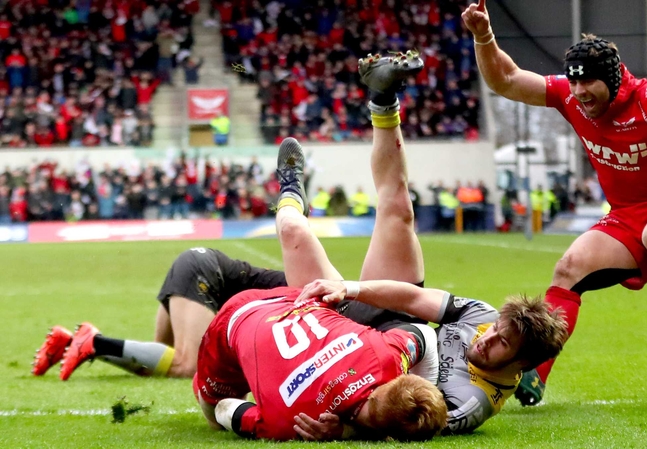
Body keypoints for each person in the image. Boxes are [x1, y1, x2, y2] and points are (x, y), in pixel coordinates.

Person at [462, 0, 647, 406]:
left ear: (611, 79)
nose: (579, 92)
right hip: (626, 216)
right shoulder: (571, 96)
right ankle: (537, 375)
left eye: (588, 83)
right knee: (568, 269)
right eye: (574, 83)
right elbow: (506, 80)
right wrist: (484, 36)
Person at [291, 51, 568, 438]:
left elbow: (407, 421)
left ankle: (288, 198)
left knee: (295, 244)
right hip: (394, 324)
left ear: (520, 364)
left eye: (502, 342)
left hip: (356, 358)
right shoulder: (482, 317)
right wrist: (350, 289)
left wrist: (347, 430)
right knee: (398, 208)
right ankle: (383, 99)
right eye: (496, 330)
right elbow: (412, 299)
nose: (487, 338)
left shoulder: (469, 403)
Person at [194, 138, 447, 441]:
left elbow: (425, 337)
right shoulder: (296, 422)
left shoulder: (386, 360)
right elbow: (227, 410)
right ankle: (291, 192)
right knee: (293, 229)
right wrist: (349, 430)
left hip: (251, 315)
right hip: (306, 303)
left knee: (212, 412)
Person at [32, 249, 288, 380]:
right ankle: (96, 343)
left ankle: (70, 343)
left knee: (159, 362)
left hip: (197, 266)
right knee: (189, 366)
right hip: (203, 274)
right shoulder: (304, 292)